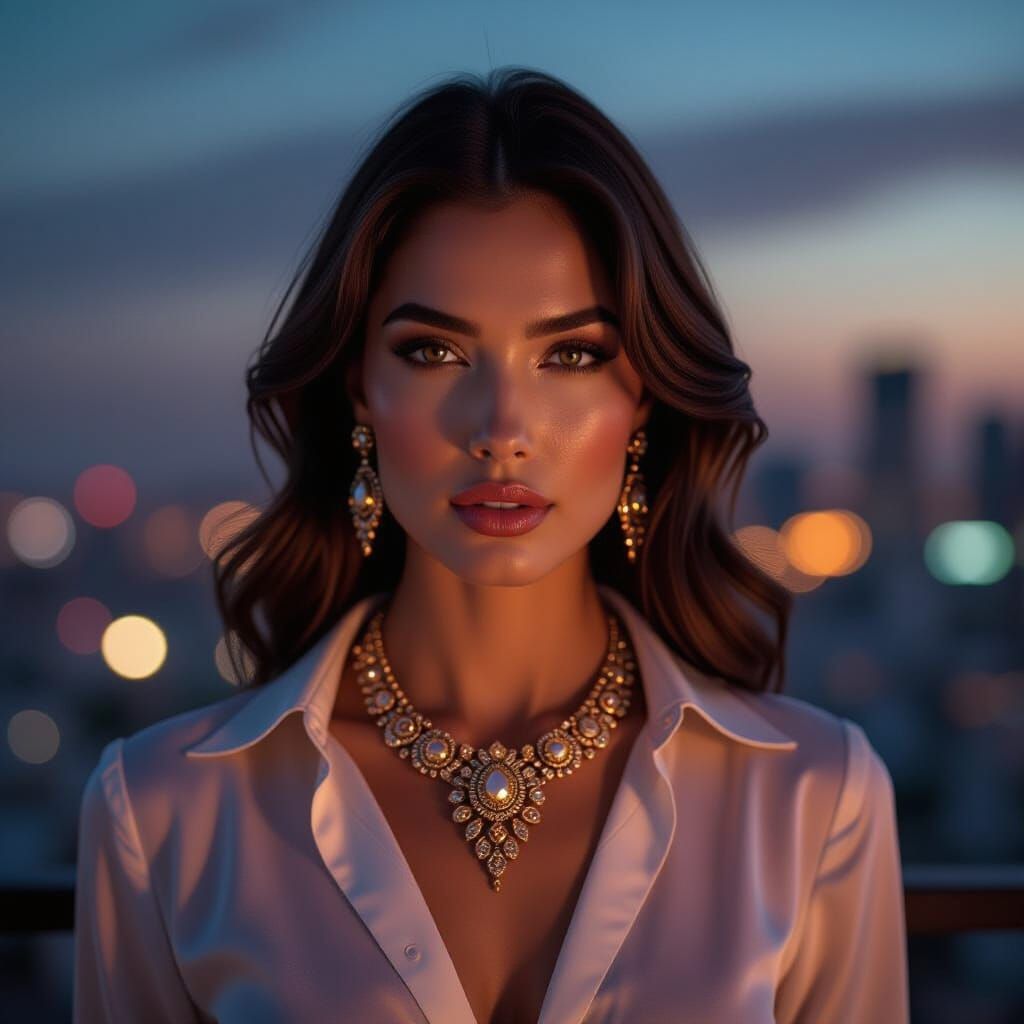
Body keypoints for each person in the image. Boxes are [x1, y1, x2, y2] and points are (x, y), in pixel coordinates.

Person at [73, 67, 910, 1023]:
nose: (503, 426)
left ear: (641, 398)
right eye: (433, 351)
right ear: (359, 387)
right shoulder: (163, 812)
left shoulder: (813, 799)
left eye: (572, 354)